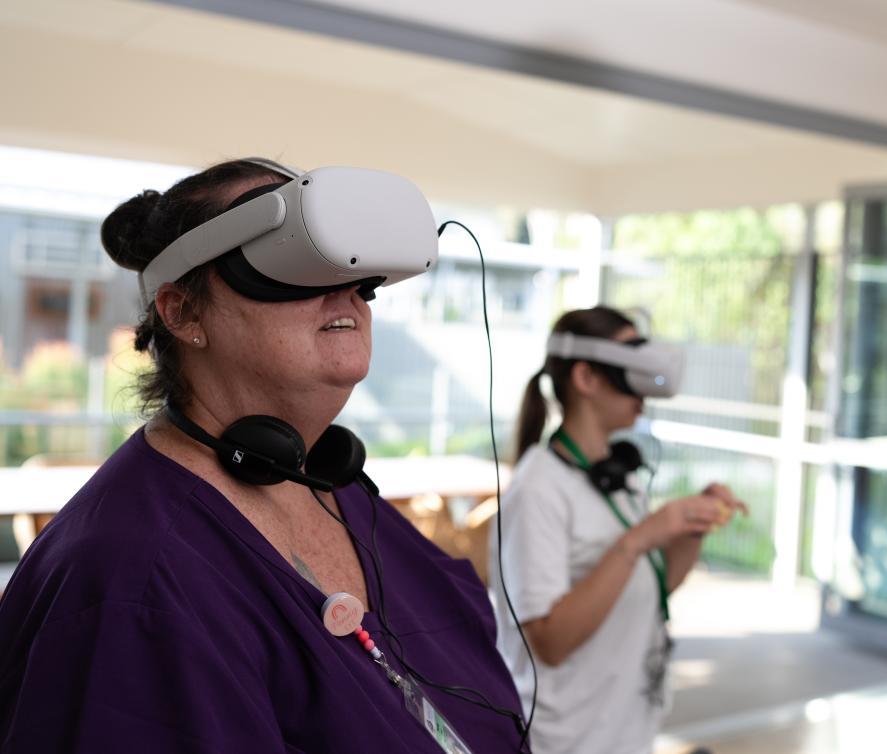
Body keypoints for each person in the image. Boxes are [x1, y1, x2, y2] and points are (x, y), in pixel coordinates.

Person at [0, 158, 525, 752]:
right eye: (296, 264)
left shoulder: (341, 492)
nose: (347, 293)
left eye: (360, 278)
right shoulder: (132, 575)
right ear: (183, 312)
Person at [490, 306, 746, 754]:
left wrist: (693, 525)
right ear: (586, 378)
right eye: (630, 364)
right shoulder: (538, 488)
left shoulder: (617, 475)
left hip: (624, 730)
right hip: (565, 740)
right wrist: (638, 539)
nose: (644, 386)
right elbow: (549, 642)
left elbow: (657, 583)